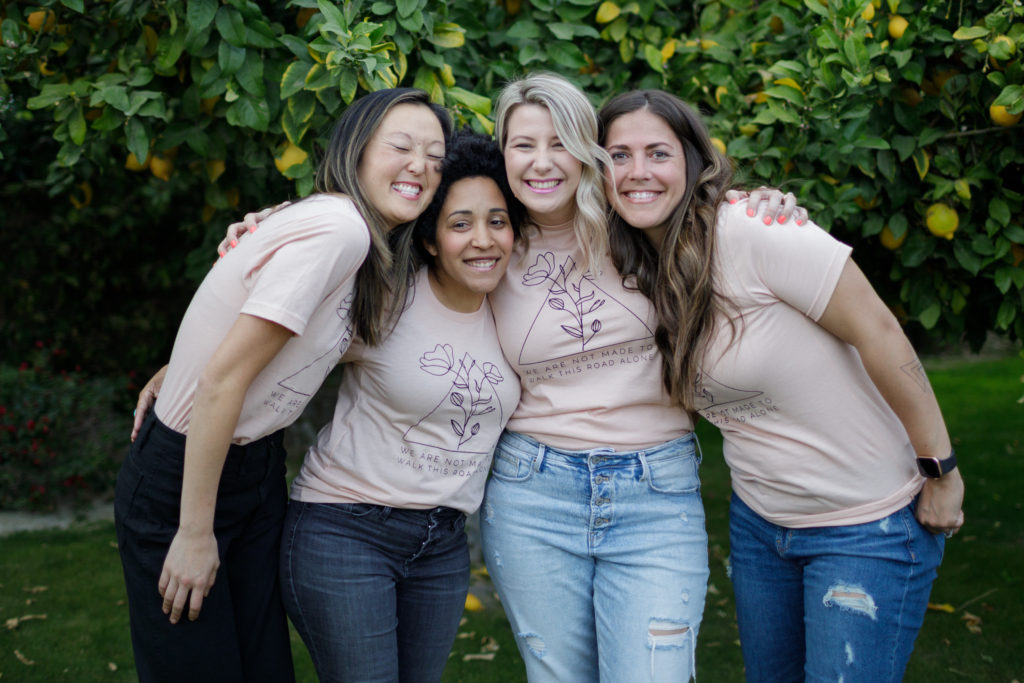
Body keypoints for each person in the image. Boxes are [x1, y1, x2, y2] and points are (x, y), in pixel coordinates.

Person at [597, 88, 965, 682]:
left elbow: (881, 334)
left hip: (865, 524)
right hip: (761, 527)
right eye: (618, 155)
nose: (638, 171)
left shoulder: (754, 229)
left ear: (693, 160)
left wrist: (941, 469)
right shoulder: (640, 268)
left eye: (658, 153)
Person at [115, 88, 450, 682]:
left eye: (435, 157)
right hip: (190, 474)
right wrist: (194, 532)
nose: (420, 166)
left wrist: (180, 366)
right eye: (401, 147)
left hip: (255, 468)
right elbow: (223, 379)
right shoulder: (338, 231)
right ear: (355, 149)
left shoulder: (360, 246)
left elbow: (246, 319)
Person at [477, 72, 803, 682]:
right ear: (503, 154)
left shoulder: (640, 221)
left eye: (560, 143)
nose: (542, 162)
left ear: (587, 151)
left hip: (655, 490)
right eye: (523, 145)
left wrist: (766, 205)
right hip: (533, 493)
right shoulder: (488, 243)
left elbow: (713, 214)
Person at [278, 129, 523, 682]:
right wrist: (185, 369)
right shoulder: (385, 298)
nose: (483, 240)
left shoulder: (515, 308)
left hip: (443, 545)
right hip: (347, 530)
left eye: (498, 221)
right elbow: (273, 339)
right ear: (431, 239)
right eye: (460, 224)